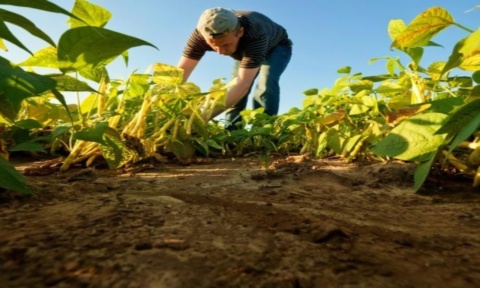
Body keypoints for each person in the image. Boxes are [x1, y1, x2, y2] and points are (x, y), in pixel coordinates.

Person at [177, 7, 293, 129]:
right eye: (214, 46)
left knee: (266, 82)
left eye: (226, 44)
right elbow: (180, 73)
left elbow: (243, 84)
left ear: (240, 32)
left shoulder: (255, 34)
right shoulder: (199, 36)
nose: (220, 52)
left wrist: (200, 119)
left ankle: (263, 130)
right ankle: (231, 131)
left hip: (276, 47)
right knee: (234, 88)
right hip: (245, 50)